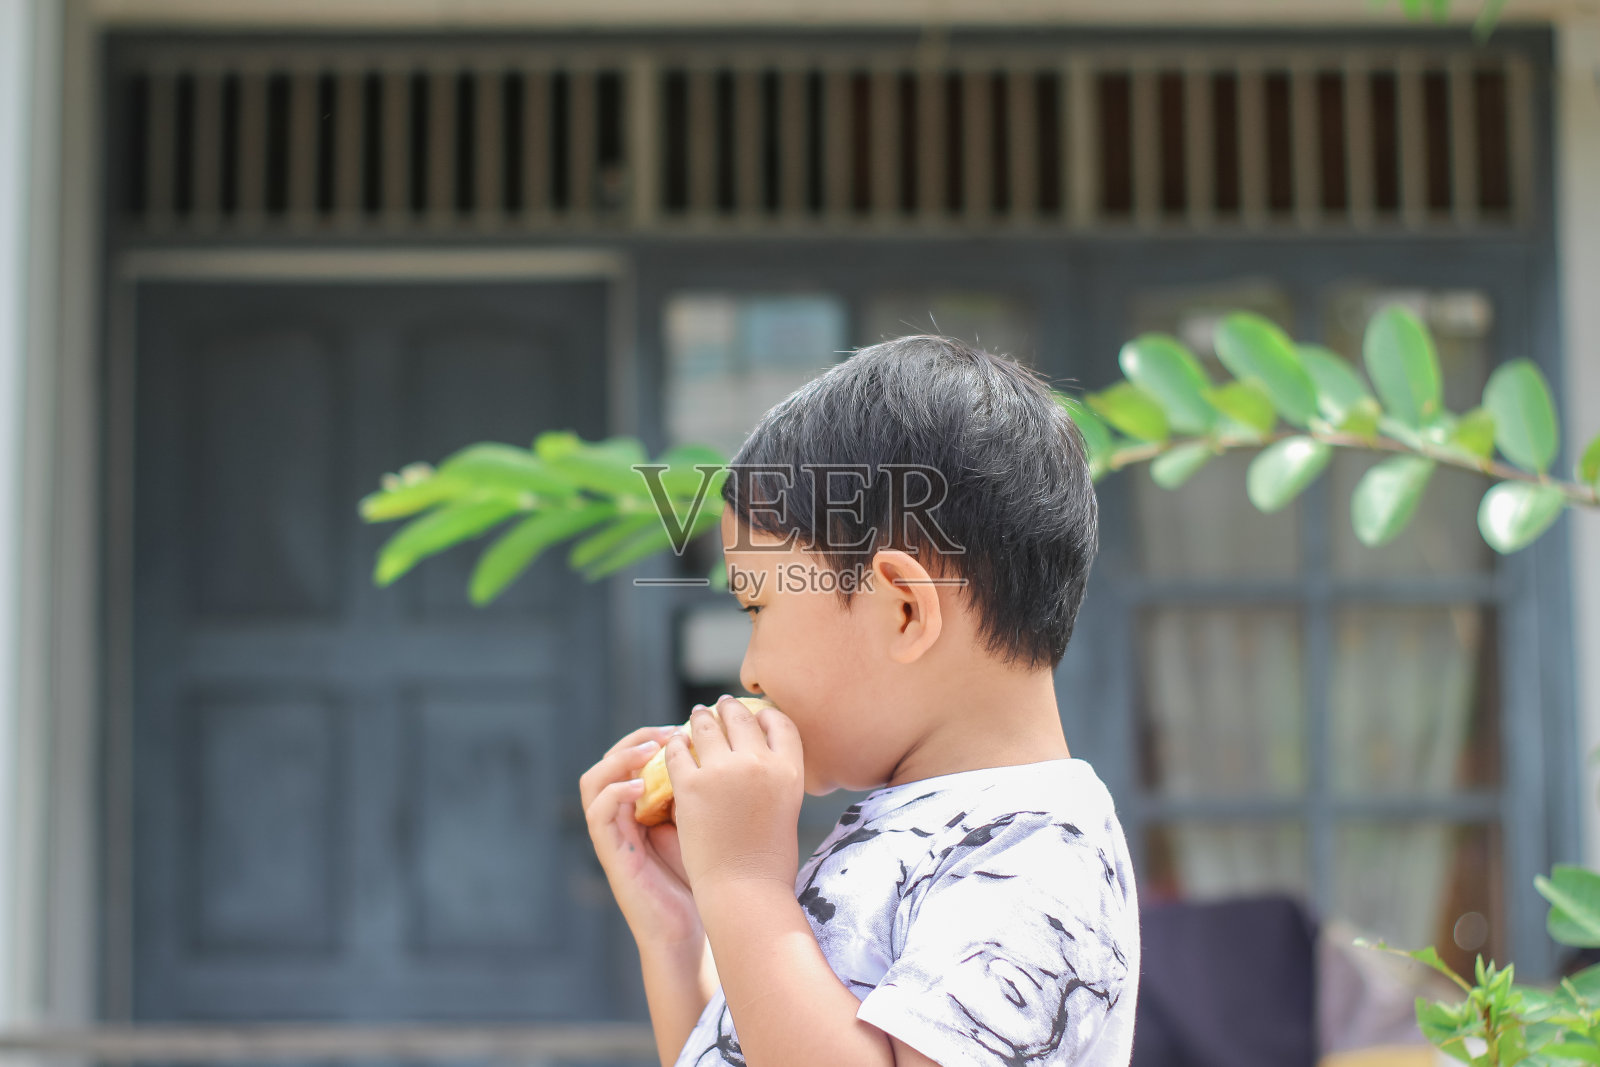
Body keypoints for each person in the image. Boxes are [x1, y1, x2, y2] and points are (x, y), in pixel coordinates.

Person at [579, 335, 1139, 1067]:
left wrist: (745, 884)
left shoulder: (1038, 851)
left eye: (757, 607)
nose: (748, 673)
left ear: (904, 609)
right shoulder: (922, 824)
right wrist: (680, 926)